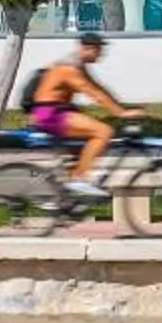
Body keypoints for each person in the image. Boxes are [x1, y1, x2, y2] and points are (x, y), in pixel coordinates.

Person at [22, 32, 137, 198]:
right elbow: (93, 93)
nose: (101, 54)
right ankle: (78, 179)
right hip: (50, 114)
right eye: (98, 50)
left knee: (82, 148)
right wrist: (121, 113)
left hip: (57, 112)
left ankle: (68, 195)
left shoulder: (78, 66)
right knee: (103, 132)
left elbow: (99, 88)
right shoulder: (69, 69)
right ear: (86, 49)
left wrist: (123, 106)